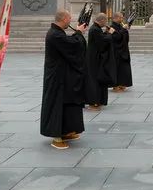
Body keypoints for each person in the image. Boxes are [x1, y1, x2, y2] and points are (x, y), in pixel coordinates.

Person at [40, 10, 87, 150]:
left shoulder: (57, 33)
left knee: (66, 102)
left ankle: (65, 131)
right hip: (56, 77)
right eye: (69, 19)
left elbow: (69, 42)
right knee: (57, 104)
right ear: (64, 18)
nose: (70, 21)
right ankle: (56, 137)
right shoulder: (55, 34)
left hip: (62, 75)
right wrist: (78, 33)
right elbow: (71, 45)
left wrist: (77, 34)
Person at [85, 13, 116, 111]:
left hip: (96, 59)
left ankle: (98, 100)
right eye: (105, 21)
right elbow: (102, 43)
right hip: (95, 60)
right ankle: (94, 102)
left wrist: (106, 33)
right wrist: (109, 33)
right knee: (95, 81)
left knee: (99, 79)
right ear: (102, 20)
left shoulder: (96, 29)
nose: (106, 23)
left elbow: (101, 39)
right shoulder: (94, 29)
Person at [110, 12, 133, 92]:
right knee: (117, 68)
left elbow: (124, 37)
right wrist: (123, 30)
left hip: (123, 50)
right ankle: (116, 85)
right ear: (116, 18)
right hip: (116, 51)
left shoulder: (120, 26)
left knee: (123, 68)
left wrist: (125, 30)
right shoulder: (111, 27)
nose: (122, 19)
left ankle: (122, 83)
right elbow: (116, 37)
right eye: (121, 18)